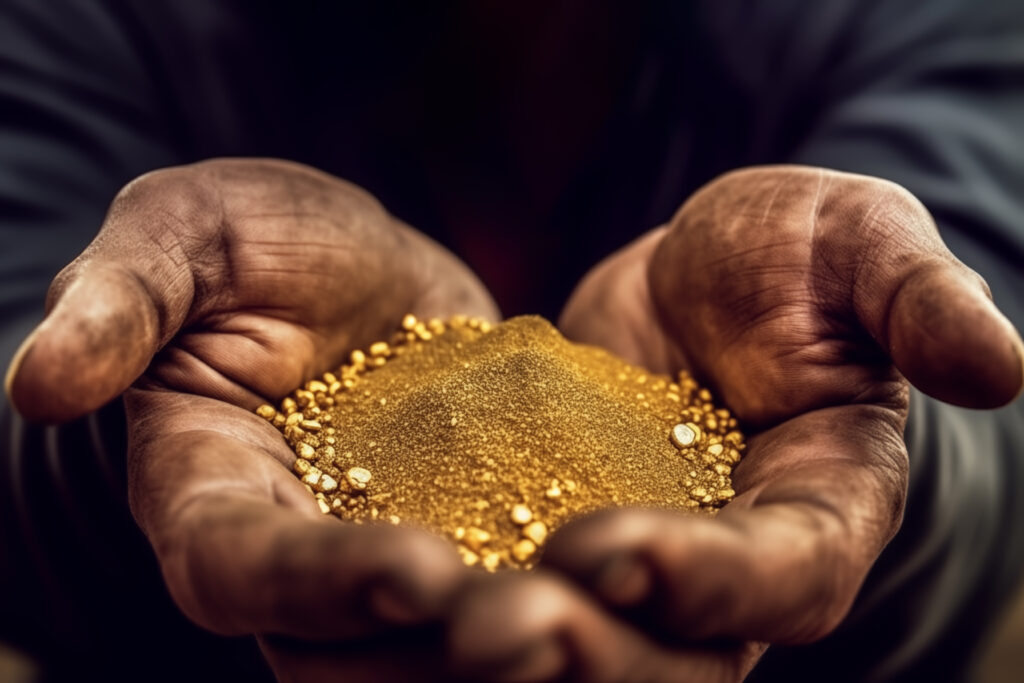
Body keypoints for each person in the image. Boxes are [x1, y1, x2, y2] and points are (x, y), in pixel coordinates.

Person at [1, 2, 1022, 681]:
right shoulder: (89, 25)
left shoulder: (909, 19)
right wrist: (126, 424)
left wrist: (888, 438)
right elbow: (20, 345)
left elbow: (996, 355)